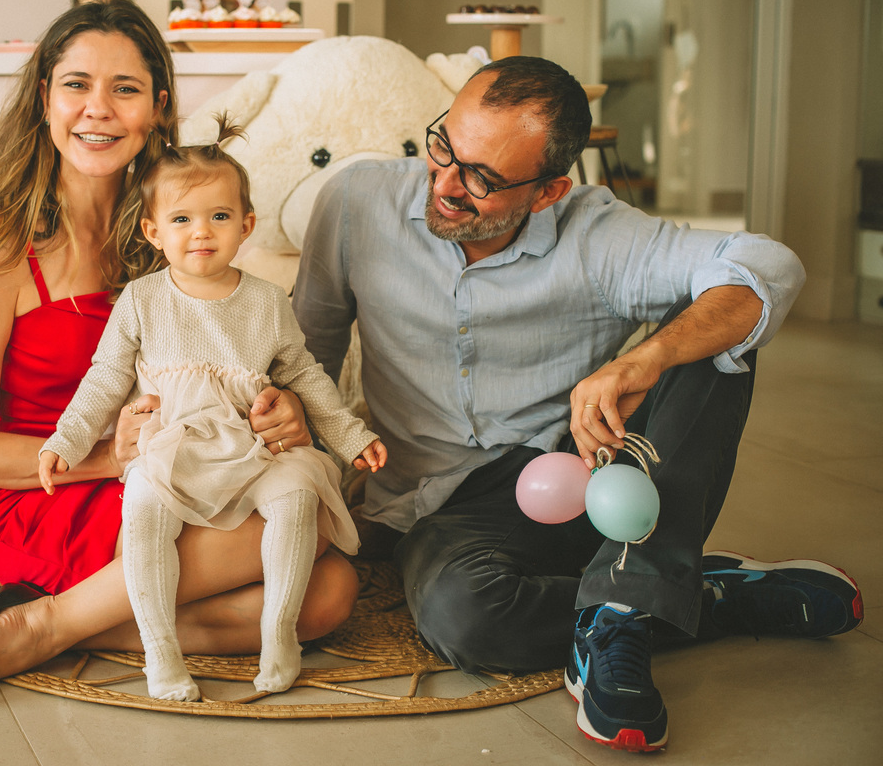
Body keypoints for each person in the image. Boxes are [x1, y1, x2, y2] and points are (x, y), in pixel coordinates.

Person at [292, 55, 864, 753]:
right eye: (444, 146)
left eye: (482, 179)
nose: (444, 184)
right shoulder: (355, 202)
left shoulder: (598, 234)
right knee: (466, 621)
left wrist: (647, 356)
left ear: (550, 190)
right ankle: (692, 596)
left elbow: (770, 267)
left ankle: (628, 600)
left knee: (719, 331)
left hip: (588, 470)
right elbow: (308, 353)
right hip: (442, 502)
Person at [0, 0, 360, 710]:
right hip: (44, 489)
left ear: (158, 108)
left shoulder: (173, 227)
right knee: (305, 549)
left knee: (329, 595)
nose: (97, 109)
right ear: (44, 99)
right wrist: (104, 459)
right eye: (76, 85)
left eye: (124, 89)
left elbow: (229, 352)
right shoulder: (0, 247)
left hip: (176, 463)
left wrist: (275, 407)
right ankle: (44, 622)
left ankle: (84, 623)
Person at [37, 119, 386, 700]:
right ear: (153, 231)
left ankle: (279, 634)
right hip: (175, 444)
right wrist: (66, 442)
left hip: (253, 446)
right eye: (182, 219)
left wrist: (349, 435)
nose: (201, 233)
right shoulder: (143, 300)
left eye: (219, 217)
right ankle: (160, 651)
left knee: (298, 496)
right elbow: (104, 379)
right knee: (146, 507)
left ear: (245, 225)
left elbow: (305, 375)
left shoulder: (267, 302)